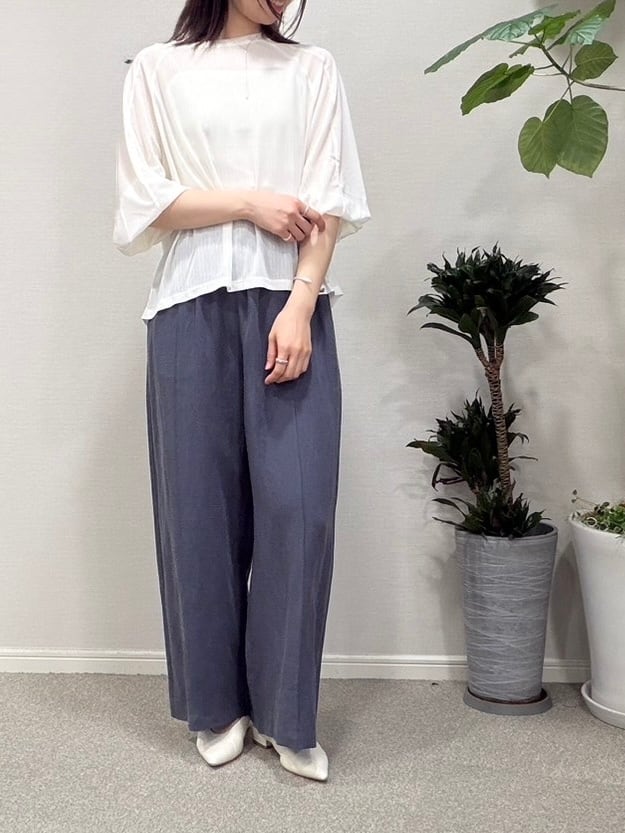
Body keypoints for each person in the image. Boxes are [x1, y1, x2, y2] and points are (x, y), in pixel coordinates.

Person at [113, 0, 370, 782]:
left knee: (299, 509)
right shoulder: (157, 69)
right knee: (198, 513)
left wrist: (299, 303)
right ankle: (216, 706)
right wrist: (249, 201)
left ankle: (287, 714)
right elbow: (145, 200)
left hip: (290, 307)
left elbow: (328, 198)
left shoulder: (311, 69)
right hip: (188, 307)